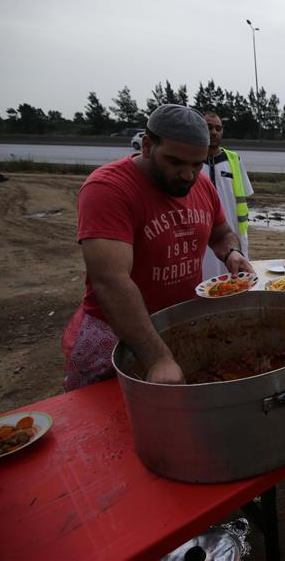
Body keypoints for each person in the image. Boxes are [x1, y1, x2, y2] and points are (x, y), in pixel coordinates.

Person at [61, 104, 254, 391]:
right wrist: (157, 358)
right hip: (117, 333)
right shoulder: (108, 189)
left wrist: (231, 252)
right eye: (175, 162)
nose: (188, 175)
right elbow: (111, 282)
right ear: (148, 146)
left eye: (196, 164)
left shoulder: (201, 185)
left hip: (176, 322)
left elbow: (221, 233)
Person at [200, 112, 254, 279]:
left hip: (232, 235)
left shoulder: (233, 160)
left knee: (235, 280)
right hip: (203, 234)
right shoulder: (190, 161)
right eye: (209, 127)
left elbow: (245, 194)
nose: (214, 132)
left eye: (218, 128)